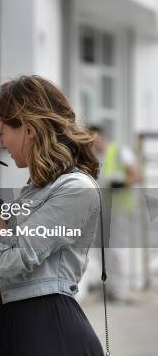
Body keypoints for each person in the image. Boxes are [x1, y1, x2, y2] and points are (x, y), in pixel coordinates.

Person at [0, 75, 104, 355]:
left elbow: (6, 261)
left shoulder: (75, 189)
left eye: (1, 132)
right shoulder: (36, 190)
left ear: (29, 130)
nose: (2, 144)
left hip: (49, 330)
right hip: (22, 326)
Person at [88, 125, 142, 302]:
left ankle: (121, 291)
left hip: (121, 210)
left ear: (100, 136)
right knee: (106, 250)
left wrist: (119, 184)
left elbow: (136, 175)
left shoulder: (119, 151)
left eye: (92, 138)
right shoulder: (96, 157)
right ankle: (111, 288)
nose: (91, 143)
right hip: (106, 211)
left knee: (118, 250)